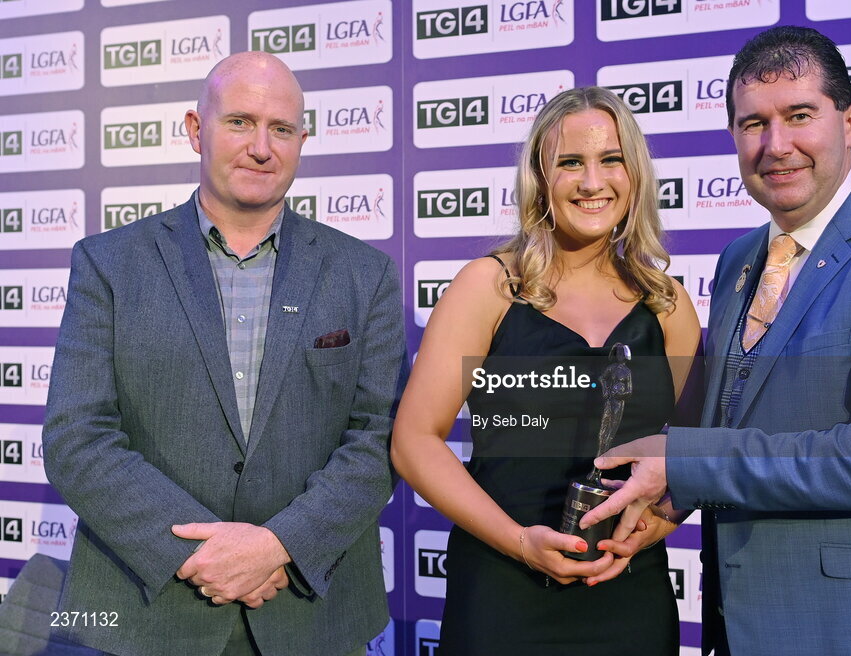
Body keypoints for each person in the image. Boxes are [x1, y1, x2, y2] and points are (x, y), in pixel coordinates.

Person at [580, 26, 851, 656]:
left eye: (800, 116)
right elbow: (732, 416)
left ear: (850, 121)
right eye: (752, 124)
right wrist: (671, 498)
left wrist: (684, 463)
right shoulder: (739, 259)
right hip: (745, 626)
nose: (776, 146)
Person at [42, 52, 403, 656]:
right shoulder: (108, 264)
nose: (261, 146)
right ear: (194, 129)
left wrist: (278, 545)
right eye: (239, 121)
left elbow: (380, 436)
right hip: (144, 615)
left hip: (311, 614)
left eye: (281, 129)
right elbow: (78, 437)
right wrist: (202, 554)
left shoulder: (364, 275)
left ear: (301, 140)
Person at [391, 86, 701, 655]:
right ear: (540, 176)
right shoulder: (489, 288)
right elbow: (414, 442)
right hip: (504, 591)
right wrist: (518, 542)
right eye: (570, 163)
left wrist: (655, 528)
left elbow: (688, 455)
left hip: (630, 597)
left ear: (635, 174)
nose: (591, 182)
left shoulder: (669, 305)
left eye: (611, 160)